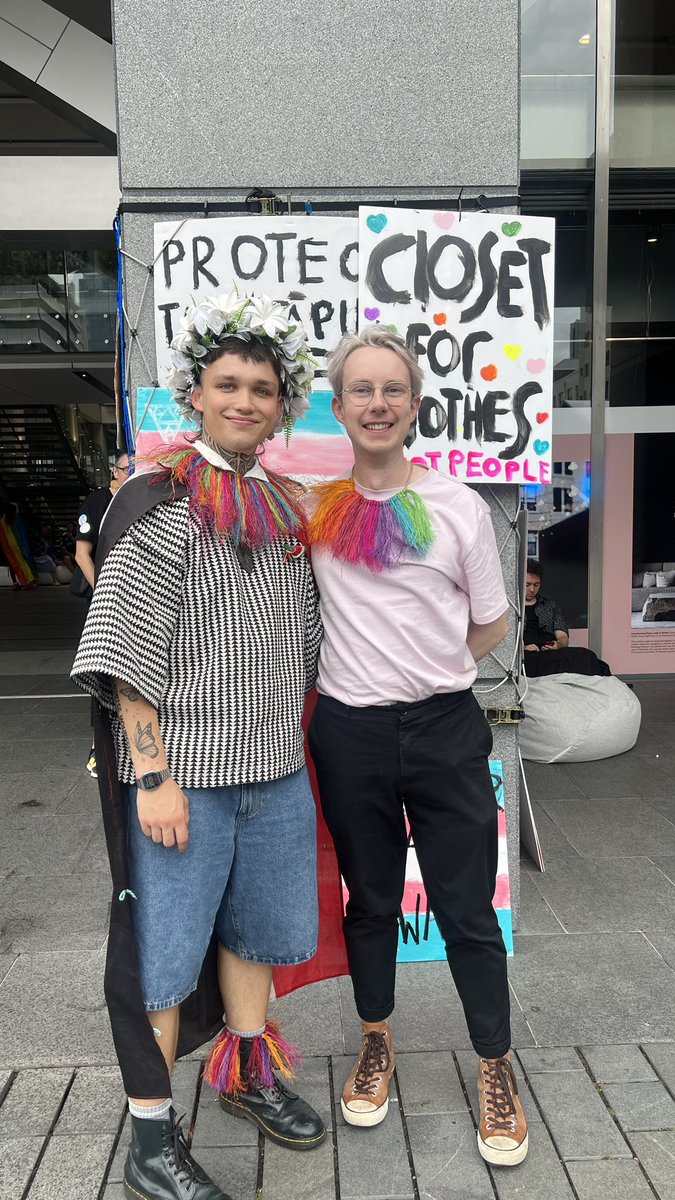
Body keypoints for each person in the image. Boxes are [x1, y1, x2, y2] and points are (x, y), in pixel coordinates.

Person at [71, 293, 325, 1200]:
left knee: (260, 934)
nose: (245, 400)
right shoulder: (159, 500)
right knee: (165, 961)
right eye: (229, 384)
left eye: (262, 387)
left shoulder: (282, 506)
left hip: (276, 773)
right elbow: (126, 653)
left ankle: (247, 1074)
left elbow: (304, 642)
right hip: (186, 780)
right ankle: (150, 1138)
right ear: (199, 394)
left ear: (280, 402)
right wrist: (153, 777)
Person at [306, 327, 529, 1168]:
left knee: (467, 907)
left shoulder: (457, 506)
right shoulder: (316, 507)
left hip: (443, 726)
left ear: (414, 406)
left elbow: (494, 621)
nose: (376, 403)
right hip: (350, 733)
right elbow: (225, 468)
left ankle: (494, 1064)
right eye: (359, 390)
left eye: (391, 389)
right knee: (368, 901)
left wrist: (433, 672)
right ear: (339, 408)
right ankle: (376, 1040)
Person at [75, 450, 130, 778]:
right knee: (107, 673)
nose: (131, 473)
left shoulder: (144, 499)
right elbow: (82, 554)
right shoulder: (96, 503)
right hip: (104, 601)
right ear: (115, 470)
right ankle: (99, 748)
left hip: (136, 598)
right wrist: (103, 592)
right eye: (127, 468)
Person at [523, 559, 568, 651]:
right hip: (525, 655)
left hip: (549, 652)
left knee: (586, 655)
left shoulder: (551, 606)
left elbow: (563, 637)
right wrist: (523, 648)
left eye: (536, 585)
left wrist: (558, 645)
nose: (532, 589)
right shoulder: (510, 608)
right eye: (527, 584)